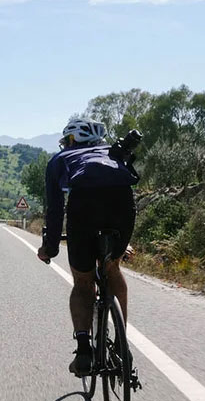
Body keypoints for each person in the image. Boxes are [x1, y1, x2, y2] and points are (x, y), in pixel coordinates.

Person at [37, 119, 139, 377]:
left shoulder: (60, 159)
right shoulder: (114, 154)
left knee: (83, 282)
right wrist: (120, 247)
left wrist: (50, 248)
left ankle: (84, 351)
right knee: (112, 267)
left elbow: (55, 210)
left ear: (71, 140)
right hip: (122, 206)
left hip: (83, 209)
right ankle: (122, 345)